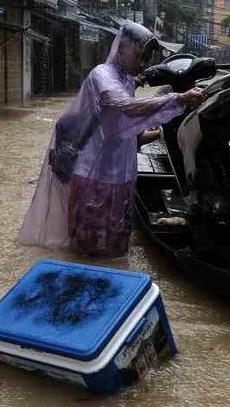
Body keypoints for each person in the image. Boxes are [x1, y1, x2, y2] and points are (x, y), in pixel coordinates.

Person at [20, 22, 204, 257]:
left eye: (147, 57)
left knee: (116, 250)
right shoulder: (101, 75)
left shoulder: (127, 81)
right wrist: (178, 99)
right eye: (140, 55)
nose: (143, 64)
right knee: (87, 250)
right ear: (122, 48)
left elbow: (127, 133)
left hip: (122, 180)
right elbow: (123, 106)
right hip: (93, 179)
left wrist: (164, 128)